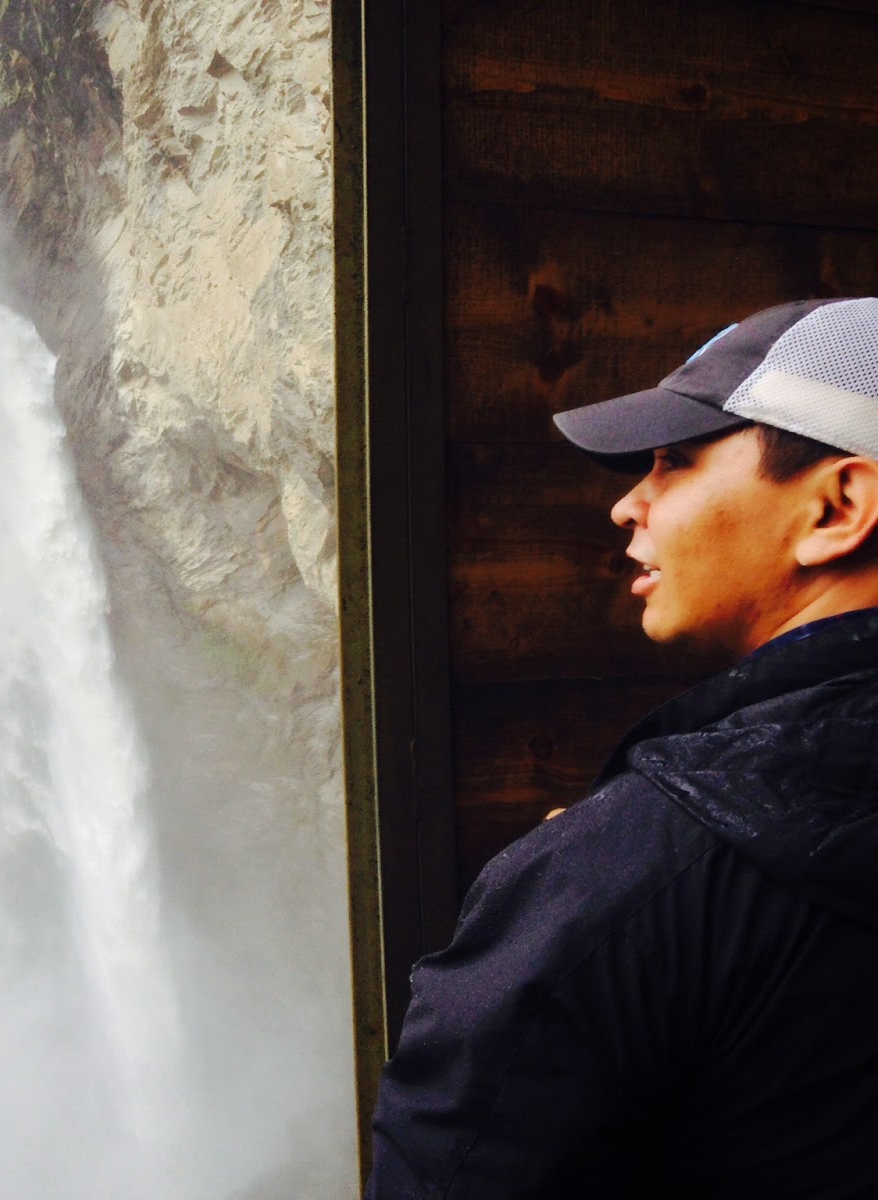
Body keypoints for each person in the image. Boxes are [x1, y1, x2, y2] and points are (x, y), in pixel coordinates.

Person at [366, 297, 878, 1199]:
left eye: (676, 460)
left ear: (836, 508)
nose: (626, 504)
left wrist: (608, 875)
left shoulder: (626, 870)